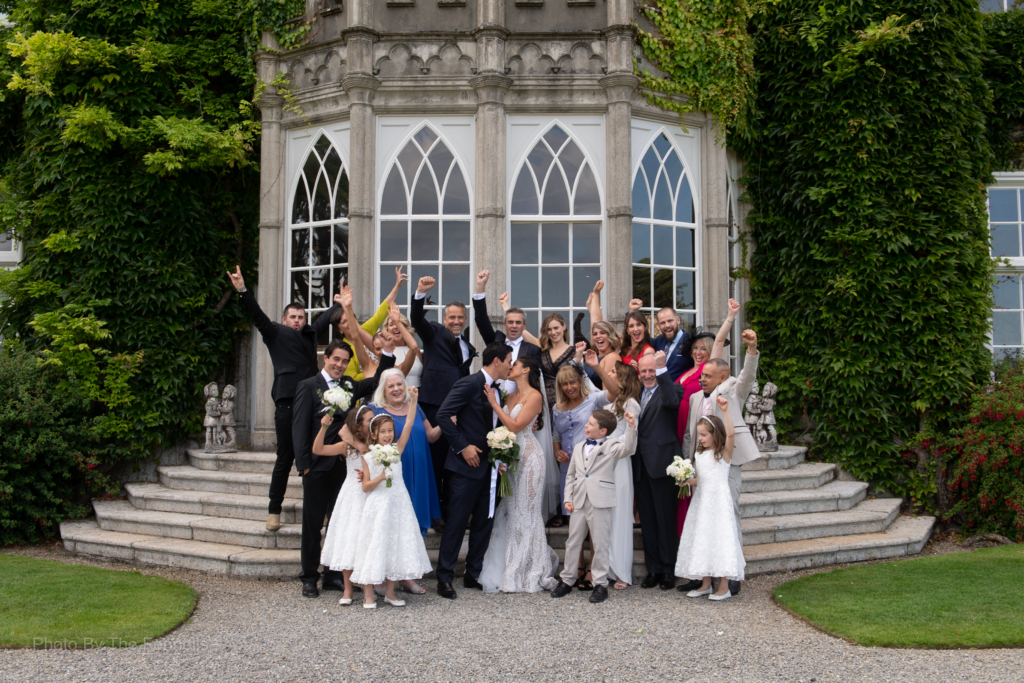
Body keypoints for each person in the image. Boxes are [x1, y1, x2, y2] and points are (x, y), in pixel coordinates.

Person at [226, 265, 340, 533]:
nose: (298, 320)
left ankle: (321, 510)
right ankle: (274, 510)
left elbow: (326, 318)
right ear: (285, 319)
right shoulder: (275, 333)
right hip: (287, 403)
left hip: (313, 404)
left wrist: (342, 304)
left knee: (315, 457)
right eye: (293, 317)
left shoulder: (310, 336)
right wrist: (242, 289)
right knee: (285, 457)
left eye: (301, 316)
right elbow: (257, 316)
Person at [291, 339, 395, 599]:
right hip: (317, 466)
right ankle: (309, 577)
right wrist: (304, 466)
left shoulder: (348, 385)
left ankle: (333, 576)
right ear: (325, 358)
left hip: (346, 469)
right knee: (313, 524)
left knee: (341, 523)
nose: (340, 364)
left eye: (344, 361)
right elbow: (299, 427)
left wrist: (389, 352)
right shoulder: (308, 386)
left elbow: (376, 380)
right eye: (336, 359)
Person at [681, 329, 760, 597]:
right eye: (701, 375)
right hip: (703, 466)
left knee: (729, 518)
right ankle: (704, 576)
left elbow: (748, 377)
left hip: (727, 464)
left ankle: (732, 573)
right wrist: (687, 465)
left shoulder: (732, 391)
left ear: (722, 377)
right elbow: (691, 435)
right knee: (704, 521)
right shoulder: (694, 398)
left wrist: (751, 350)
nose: (701, 379)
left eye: (706, 376)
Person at [434, 342, 514, 600]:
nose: (511, 366)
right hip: (464, 469)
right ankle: (444, 578)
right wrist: (463, 447)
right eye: (509, 360)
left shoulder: (498, 390)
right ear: (497, 361)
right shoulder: (469, 383)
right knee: (456, 523)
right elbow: (444, 414)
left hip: (490, 469)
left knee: (484, 522)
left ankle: (473, 573)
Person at [478, 355, 559, 593]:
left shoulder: (534, 396)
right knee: (513, 510)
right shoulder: (509, 396)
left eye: (515, 365)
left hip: (530, 458)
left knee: (528, 511)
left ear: (526, 371)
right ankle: (512, 566)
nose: (510, 367)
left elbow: (514, 426)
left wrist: (494, 404)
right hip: (511, 458)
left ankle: (530, 568)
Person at [350, 390, 433, 609]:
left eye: (390, 431)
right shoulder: (368, 456)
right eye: (383, 432)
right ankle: (368, 593)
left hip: (398, 504)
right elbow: (366, 486)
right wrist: (380, 476)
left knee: (395, 545)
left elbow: (408, 425)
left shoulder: (397, 450)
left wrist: (414, 400)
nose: (388, 435)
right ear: (374, 435)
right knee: (373, 544)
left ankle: (390, 592)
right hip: (377, 505)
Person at [550, 409, 637, 604]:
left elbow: (629, 448)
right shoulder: (580, 446)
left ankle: (600, 583)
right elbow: (571, 475)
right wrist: (567, 498)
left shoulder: (612, 445)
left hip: (601, 500)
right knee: (573, 541)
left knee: (600, 543)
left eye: (590, 424)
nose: (586, 427)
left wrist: (632, 427)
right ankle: (567, 579)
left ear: (603, 431)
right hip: (579, 500)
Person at [411, 275, 476, 527]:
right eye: (452, 317)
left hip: (458, 411)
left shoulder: (468, 347)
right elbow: (417, 320)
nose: (456, 321)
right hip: (435, 407)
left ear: (465, 319)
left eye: (460, 317)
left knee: (454, 463)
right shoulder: (434, 333)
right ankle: (435, 514)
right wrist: (419, 293)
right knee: (436, 463)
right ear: (445, 318)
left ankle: (452, 512)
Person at [674, 299, 737, 550]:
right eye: (696, 348)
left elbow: (720, 342)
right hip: (687, 433)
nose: (699, 352)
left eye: (704, 349)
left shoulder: (712, 375)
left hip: (709, 438)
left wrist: (730, 316)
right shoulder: (688, 372)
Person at [675, 398, 745, 600]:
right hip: (702, 502)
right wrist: (687, 481)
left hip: (718, 502)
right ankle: (705, 583)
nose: (701, 439)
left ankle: (723, 585)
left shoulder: (723, 453)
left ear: (716, 434)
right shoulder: (701, 455)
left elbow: (731, 434)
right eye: (700, 435)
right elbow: (703, 479)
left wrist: (725, 410)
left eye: (705, 435)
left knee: (719, 538)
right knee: (703, 538)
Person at [552, 344, 621, 534]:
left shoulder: (593, 399)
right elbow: (556, 435)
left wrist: (597, 366)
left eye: (573, 382)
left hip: (592, 466)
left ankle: (593, 564)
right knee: (573, 521)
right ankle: (578, 563)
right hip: (568, 468)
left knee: (592, 519)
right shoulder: (556, 408)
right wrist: (556, 451)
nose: (569, 387)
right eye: (565, 384)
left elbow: (614, 393)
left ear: (580, 382)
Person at [632, 350, 683, 591]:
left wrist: (663, 370)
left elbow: (672, 403)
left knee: (665, 520)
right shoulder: (636, 393)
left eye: (652, 370)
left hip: (662, 465)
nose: (648, 375)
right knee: (648, 522)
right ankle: (652, 569)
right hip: (640, 466)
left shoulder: (671, 389)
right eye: (644, 371)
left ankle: (668, 569)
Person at [371, 368, 442, 537]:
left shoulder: (415, 407)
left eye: (399, 384)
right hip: (395, 472)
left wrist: (446, 424)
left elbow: (431, 436)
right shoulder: (375, 410)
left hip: (420, 469)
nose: (396, 389)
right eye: (390, 386)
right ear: (383, 390)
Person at [316, 405, 374, 606]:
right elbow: (318, 449)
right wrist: (324, 428)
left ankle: (369, 585)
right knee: (349, 539)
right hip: (351, 496)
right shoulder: (347, 447)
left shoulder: (378, 444)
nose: (373, 423)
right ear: (358, 427)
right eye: (369, 420)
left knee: (366, 540)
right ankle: (348, 590)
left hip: (370, 495)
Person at [331, 266, 407, 380]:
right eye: (344, 322)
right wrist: (374, 370)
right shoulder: (343, 348)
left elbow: (382, 310)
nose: (349, 323)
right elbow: (352, 379)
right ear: (339, 329)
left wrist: (397, 286)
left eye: (351, 318)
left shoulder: (365, 329)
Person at [604, 362, 642, 590]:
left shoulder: (631, 404)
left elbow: (630, 438)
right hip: (607, 463)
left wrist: (608, 444)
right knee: (608, 516)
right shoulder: (613, 402)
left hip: (620, 462)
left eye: (612, 373)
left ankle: (622, 571)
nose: (608, 376)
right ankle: (608, 567)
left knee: (620, 516)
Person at [473, 270, 542, 391]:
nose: (514, 326)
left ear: (524, 326)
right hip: (493, 400)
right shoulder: (495, 341)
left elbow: (536, 382)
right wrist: (480, 288)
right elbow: (481, 320)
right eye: (510, 322)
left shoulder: (533, 350)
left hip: (520, 404)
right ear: (504, 325)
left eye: (518, 322)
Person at [384, 303, 423, 387]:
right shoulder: (386, 352)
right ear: (387, 330)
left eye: (398, 324)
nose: (395, 327)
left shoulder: (416, 351)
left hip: (418, 396)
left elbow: (422, 376)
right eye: (391, 324)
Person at [649, 306, 692, 381]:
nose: (667, 325)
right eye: (663, 323)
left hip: (679, 391)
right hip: (659, 390)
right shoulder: (660, 340)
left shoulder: (690, 342)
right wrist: (632, 312)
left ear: (678, 320)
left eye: (670, 321)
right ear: (658, 325)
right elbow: (640, 336)